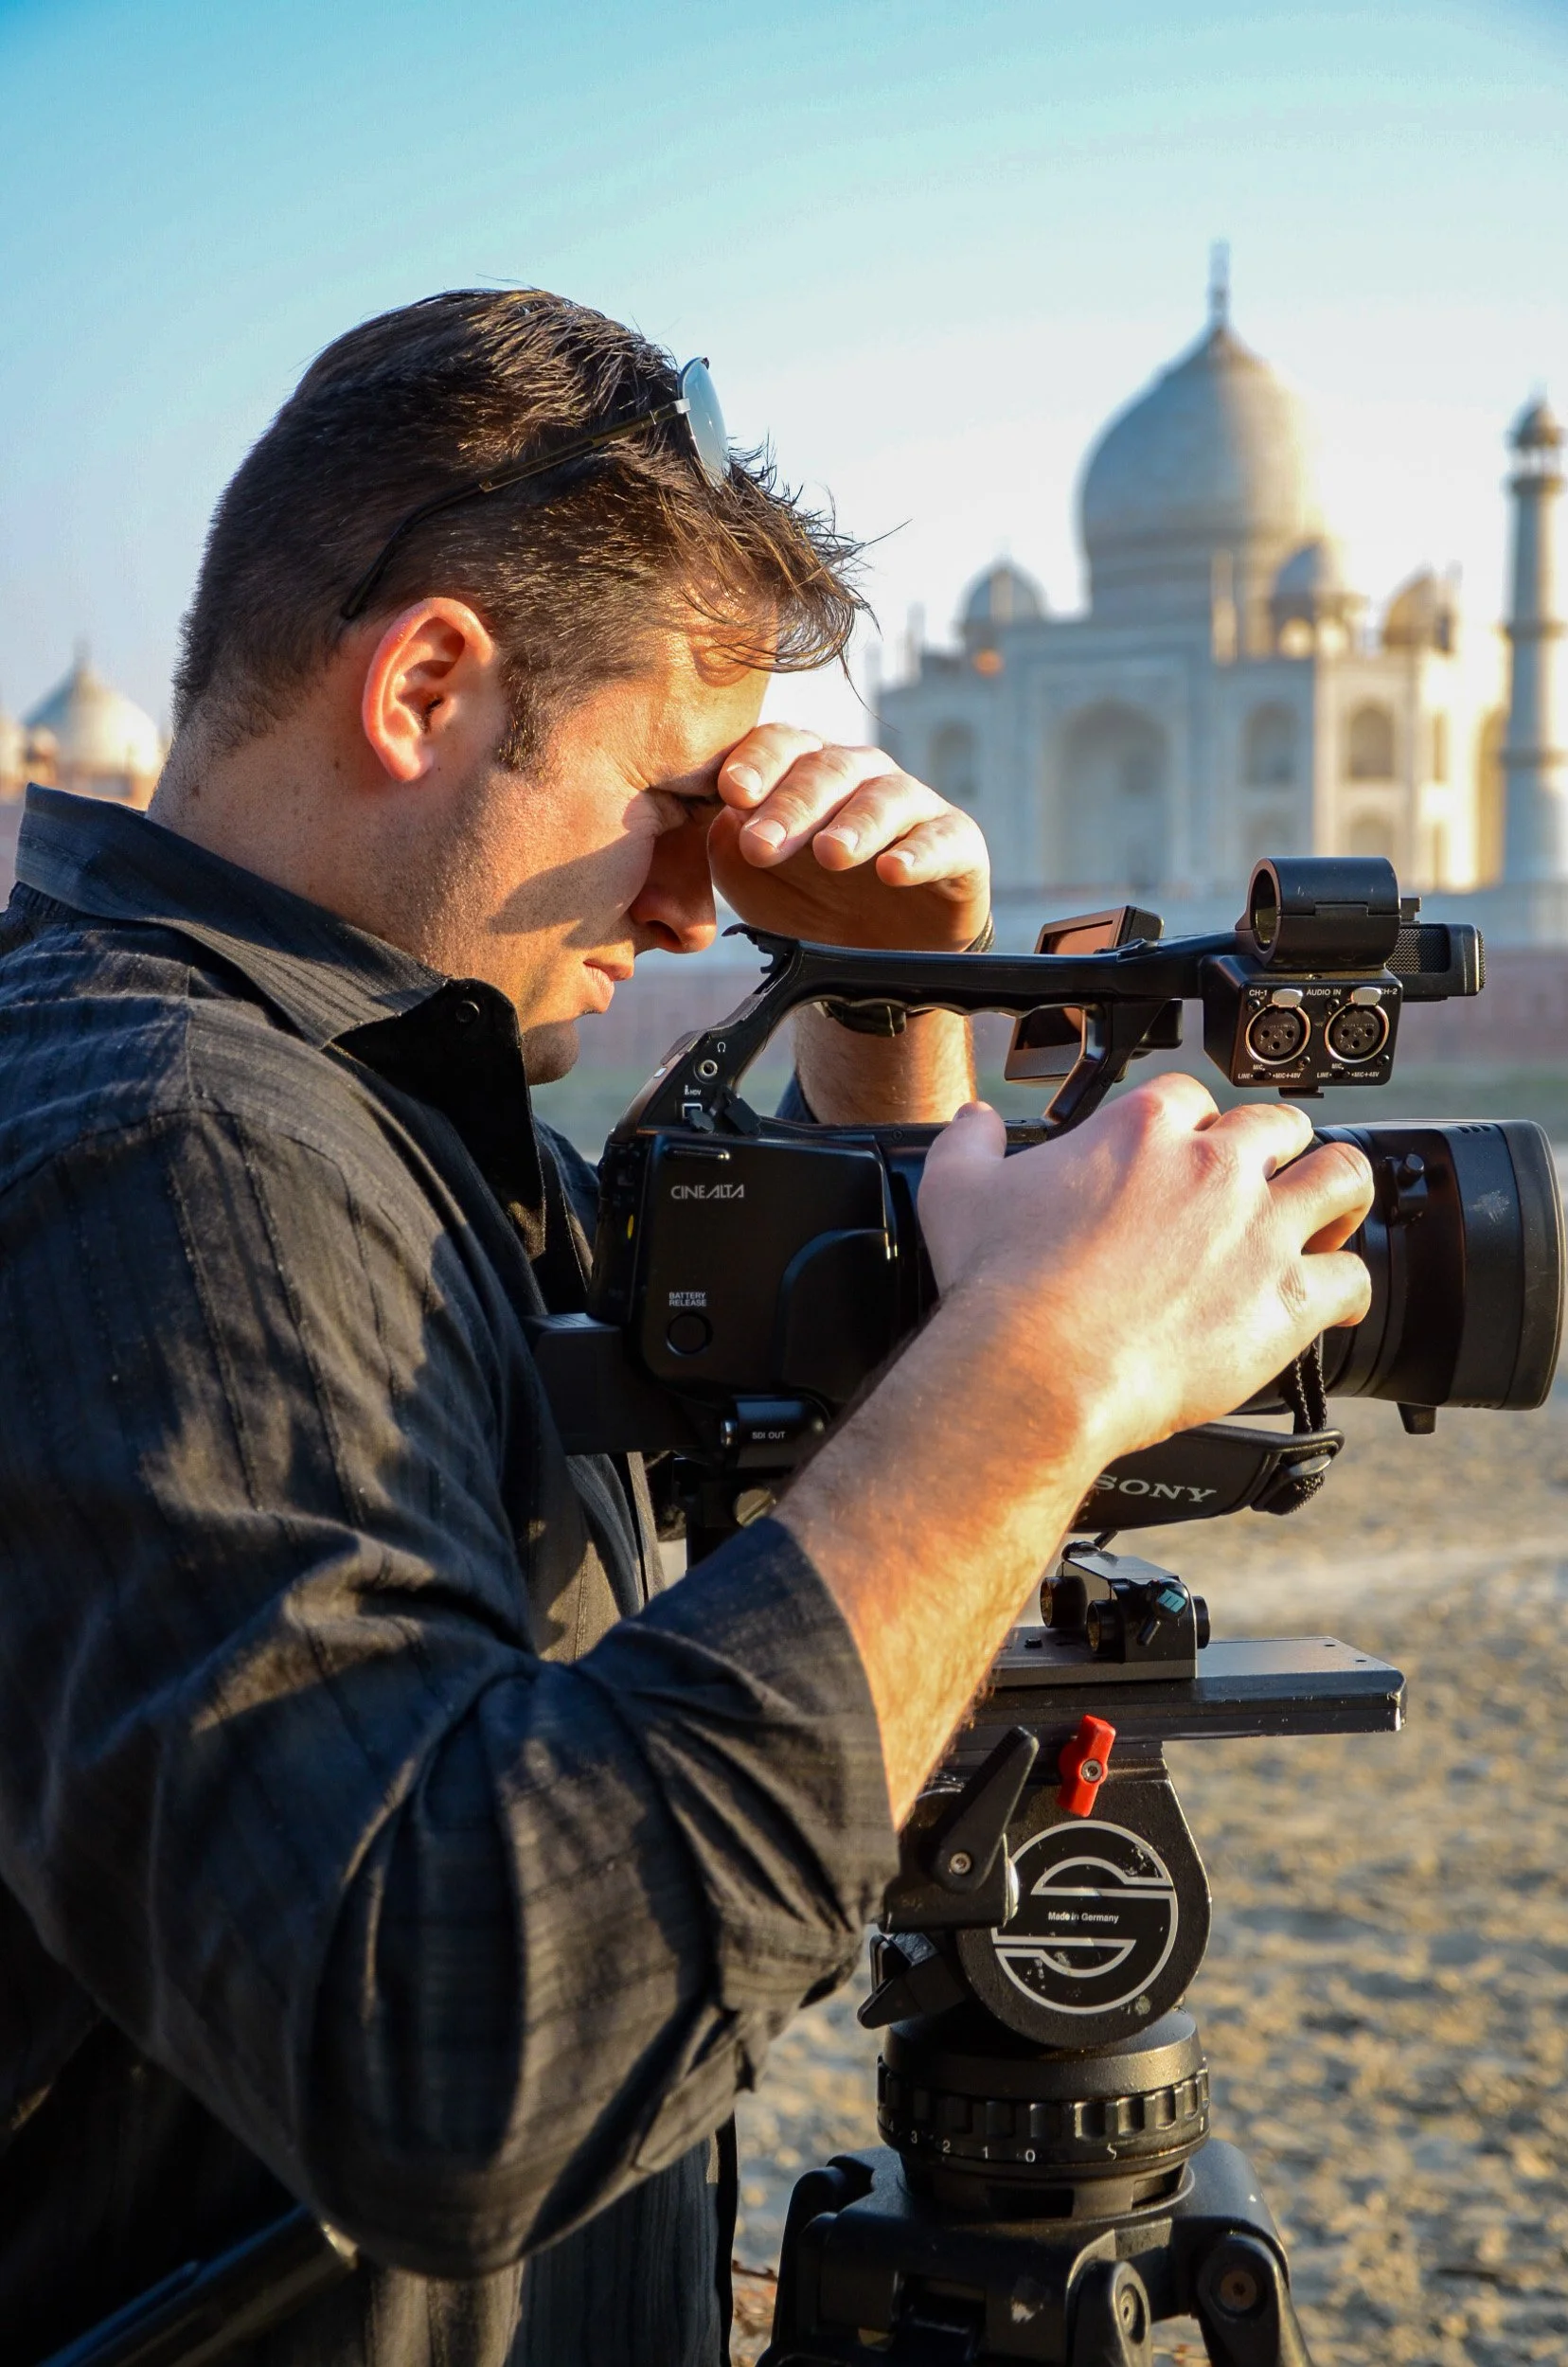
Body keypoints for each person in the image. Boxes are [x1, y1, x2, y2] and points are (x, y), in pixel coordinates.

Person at [0, 290, 1373, 2367]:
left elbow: (745, 1416)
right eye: (674, 799)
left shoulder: (365, 1107)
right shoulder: (172, 1151)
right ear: (429, 685)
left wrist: (890, 1010)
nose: (693, 909)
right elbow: (450, 2040)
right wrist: (1049, 1372)